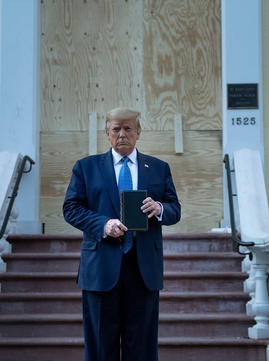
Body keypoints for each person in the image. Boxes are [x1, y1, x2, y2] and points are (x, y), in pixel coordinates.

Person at [63, 107, 181, 361]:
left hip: (143, 269)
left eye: (128, 128)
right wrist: (103, 224)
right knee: (99, 348)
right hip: (101, 268)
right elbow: (71, 209)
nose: (122, 134)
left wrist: (160, 208)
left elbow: (175, 209)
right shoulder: (86, 167)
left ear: (138, 132)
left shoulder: (159, 168)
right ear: (107, 133)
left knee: (141, 348)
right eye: (116, 129)